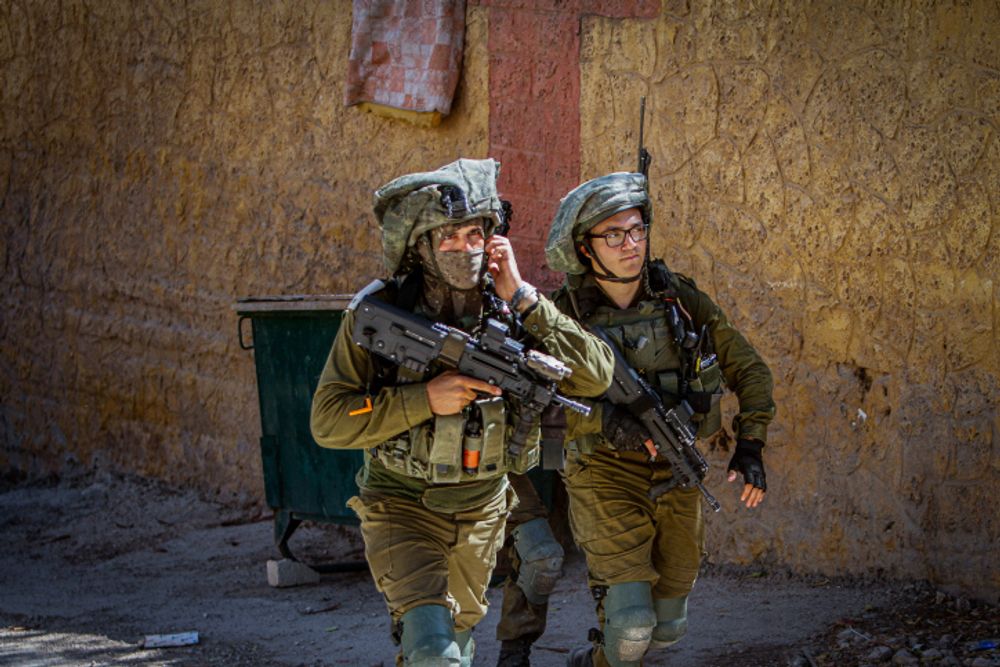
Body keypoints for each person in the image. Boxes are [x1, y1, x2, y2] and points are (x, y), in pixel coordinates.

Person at [310, 158, 613, 667]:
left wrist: (522, 296)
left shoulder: (510, 309)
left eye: (476, 235)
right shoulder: (381, 313)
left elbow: (596, 376)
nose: (465, 249)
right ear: (420, 245)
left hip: (482, 510)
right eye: (449, 237)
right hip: (402, 505)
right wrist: (424, 399)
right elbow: (328, 419)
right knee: (435, 652)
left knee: (457, 639)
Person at [543, 172, 776, 667]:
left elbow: (749, 368)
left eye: (637, 231)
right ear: (586, 250)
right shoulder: (564, 317)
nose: (630, 245)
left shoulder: (680, 302)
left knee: (668, 628)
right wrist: (610, 423)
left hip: (678, 470)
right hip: (602, 472)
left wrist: (751, 443)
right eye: (613, 235)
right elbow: (538, 401)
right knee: (630, 625)